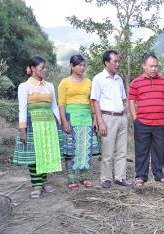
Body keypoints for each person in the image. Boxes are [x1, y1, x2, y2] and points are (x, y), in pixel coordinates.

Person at [13, 55, 63, 199]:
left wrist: (59, 124)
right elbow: (22, 108)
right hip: (32, 124)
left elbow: (54, 106)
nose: (45, 70)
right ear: (33, 69)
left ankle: (43, 183)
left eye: (45, 67)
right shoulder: (25, 86)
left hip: (48, 124)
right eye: (42, 68)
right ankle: (36, 185)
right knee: (34, 156)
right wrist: (23, 129)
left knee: (46, 154)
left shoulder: (50, 86)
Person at [128, 53, 164, 187]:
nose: (154, 69)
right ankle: (141, 176)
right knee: (141, 150)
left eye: (156, 66)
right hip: (142, 123)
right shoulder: (136, 82)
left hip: (160, 123)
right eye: (151, 66)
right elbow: (131, 101)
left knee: (158, 150)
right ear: (144, 66)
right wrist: (135, 118)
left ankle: (159, 174)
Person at [58, 54, 100, 190]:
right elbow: (61, 104)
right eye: (79, 65)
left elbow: (92, 101)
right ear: (71, 66)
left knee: (85, 148)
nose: (82, 68)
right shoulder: (64, 82)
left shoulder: (89, 82)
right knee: (71, 150)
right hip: (71, 118)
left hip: (86, 118)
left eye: (83, 65)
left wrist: (94, 117)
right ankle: (71, 179)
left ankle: (84, 178)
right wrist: (64, 121)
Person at [90, 50, 131, 189]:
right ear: (106, 62)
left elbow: (123, 98)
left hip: (121, 117)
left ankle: (120, 177)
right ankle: (106, 179)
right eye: (115, 61)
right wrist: (100, 121)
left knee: (122, 150)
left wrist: (125, 115)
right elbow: (95, 101)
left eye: (119, 61)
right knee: (107, 151)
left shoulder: (118, 79)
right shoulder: (98, 79)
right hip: (107, 118)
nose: (118, 64)